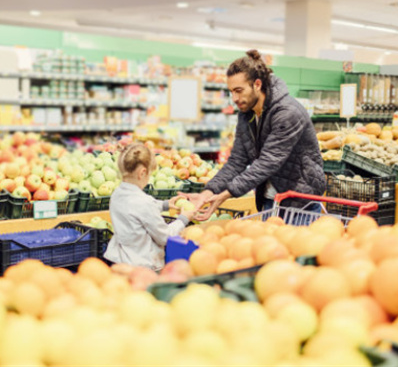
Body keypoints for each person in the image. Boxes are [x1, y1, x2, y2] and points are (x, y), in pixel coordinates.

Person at [190, 49, 325, 220]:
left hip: (300, 202)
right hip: (270, 200)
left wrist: (227, 194)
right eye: (231, 91)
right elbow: (237, 161)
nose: (235, 98)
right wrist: (208, 192)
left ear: (257, 84)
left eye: (239, 90)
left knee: (296, 247)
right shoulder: (247, 114)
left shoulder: (287, 113)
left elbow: (268, 161)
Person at [104, 143, 197, 271]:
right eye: (150, 174)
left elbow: (135, 208)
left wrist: (165, 205)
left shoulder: (117, 194)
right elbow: (165, 237)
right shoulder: (144, 203)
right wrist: (183, 219)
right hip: (143, 266)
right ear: (142, 173)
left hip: (120, 261)